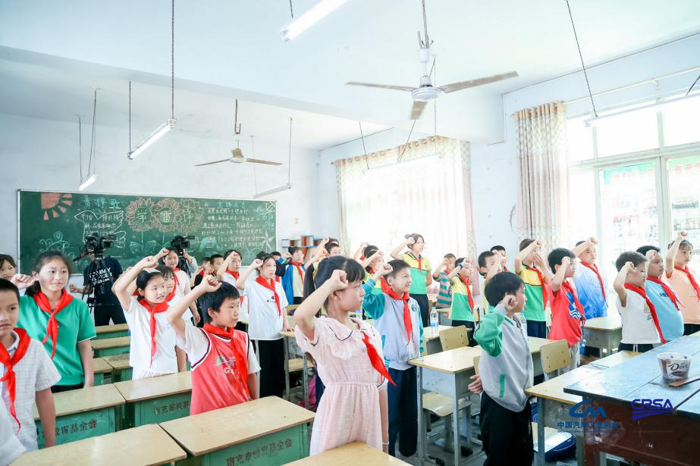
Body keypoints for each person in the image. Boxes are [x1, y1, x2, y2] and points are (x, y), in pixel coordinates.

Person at [294, 257, 390, 455]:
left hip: (369, 421)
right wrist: (330, 284)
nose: (363, 292)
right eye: (356, 287)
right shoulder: (323, 330)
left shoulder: (368, 331)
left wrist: (385, 441)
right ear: (335, 293)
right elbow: (301, 316)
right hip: (338, 420)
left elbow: (381, 388)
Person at [167, 276, 260, 415]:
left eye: (238, 306)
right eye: (231, 307)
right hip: (207, 419)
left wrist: (254, 404)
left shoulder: (243, 337)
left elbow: (251, 375)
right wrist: (200, 289)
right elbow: (172, 317)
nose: (237, 312)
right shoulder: (199, 339)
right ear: (212, 312)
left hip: (241, 413)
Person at [362, 259, 422, 458]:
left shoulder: (413, 303)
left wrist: (419, 353)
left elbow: (418, 331)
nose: (409, 280)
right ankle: (388, 456)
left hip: (411, 365)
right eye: (404, 276)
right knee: (391, 417)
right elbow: (361, 295)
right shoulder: (381, 301)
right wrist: (377, 274)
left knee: (410, 413)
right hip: (390, 367)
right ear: (390, 280)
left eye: (410, 276)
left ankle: (408, 452)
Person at [474, 272, 534, 466]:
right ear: (509, 297)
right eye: (522, 293)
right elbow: (483, 336)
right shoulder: (496, 323)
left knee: (522, 454)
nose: (525, 297)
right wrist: (500, 308)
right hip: (500, 403)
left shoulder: (516, 320)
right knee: (500, 458)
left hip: (519, 398)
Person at [13, 251, 95, 392]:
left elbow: (84, 346)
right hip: (33, 381)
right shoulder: (21, 305)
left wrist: (89, 382)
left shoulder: (78, 307)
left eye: (63, 271)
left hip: (70, 379)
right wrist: (11, 287)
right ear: (35, 275)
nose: (58, 277)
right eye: (52, 271)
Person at [0, 279, 59, 452]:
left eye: (12, 308)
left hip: (24, 443)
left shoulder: (33, 349)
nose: (4, 317)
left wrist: (50, 444)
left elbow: (44, 396)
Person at [112, 250, 178, 380]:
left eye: (163, 286)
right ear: (141, 291)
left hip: (169, 369)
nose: (161, 292)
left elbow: (179, 345)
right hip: (144, 370)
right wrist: (141, 266)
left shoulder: (172, 311)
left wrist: (181, 371)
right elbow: (119, 289)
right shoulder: (135, 310)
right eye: (154, 288)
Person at [236, 256, 291, 398]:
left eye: (274, 265)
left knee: (278, 370)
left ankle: (278, 400)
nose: (272, 268)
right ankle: (264, 400)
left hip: (278, 334)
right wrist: (251, 266)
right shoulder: (253, 285)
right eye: (268, 266)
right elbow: (239, 283)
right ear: (260, 269)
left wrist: (286, 324)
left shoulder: (277, 285)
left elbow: (284, 306)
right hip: (261, 336)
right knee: (264, 372)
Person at [613, 251, 664, 353]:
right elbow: (617, 285)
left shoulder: (640, 291)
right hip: (634, 345)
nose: (645, 274)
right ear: (627, 274)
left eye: (645, 271)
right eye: (642, 271)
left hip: (648, 343)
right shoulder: (626, 294)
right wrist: (626, 267)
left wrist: (648, 259)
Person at [547, 248, 585, 374]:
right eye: (571, 264)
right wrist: (564, 263)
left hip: (574, 336)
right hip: (562, 339)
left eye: (574, 264)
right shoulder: (556, 285)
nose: (574, 267)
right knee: (563, 376)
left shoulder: (569, 284)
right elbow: (556, 282)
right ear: (558, 267)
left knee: (572, 373)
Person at [637, 246, 684, 342]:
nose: (661, 265)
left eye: (661, 261)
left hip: (676, 337)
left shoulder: (663, 283)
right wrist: (645, 260)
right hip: (661, 339)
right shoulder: (644, 284)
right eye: (656, 262)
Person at [69, 251, 125, 326]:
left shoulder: (112, 261)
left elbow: (122, 279)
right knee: (101, 330)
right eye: (90, 253)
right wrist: (78, 290)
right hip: (99, 306)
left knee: (122, 328)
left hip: (116, 302)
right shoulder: (88, 269)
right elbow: (89, 290)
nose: (93, 255)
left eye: (94, 252)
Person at [390, 234, 432, 327]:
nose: (421, 245)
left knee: (424, 322)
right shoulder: (405, 258)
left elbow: (429, 281)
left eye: (422, 242)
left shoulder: (426, 261)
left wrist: (419, 285)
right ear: (411, 245)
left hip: (423, 296)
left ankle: (423, 341)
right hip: (409, 295)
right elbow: (393, 254)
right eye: (418, 242)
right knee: (410, 322)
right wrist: (406, 242)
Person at [514, 239, 551, 339]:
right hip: (528, 317)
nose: (537, 253)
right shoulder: (522, 270)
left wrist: (543, 266)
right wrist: (532, 245)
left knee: (541, 348)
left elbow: (552, 282)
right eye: (534, 250)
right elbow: (517, 259)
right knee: (532, 348)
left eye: (538, 250)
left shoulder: (538, 271)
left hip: (542, 316)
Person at [665, 231, 700, 335]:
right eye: (683, 252)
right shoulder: (671, 272)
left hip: (698, 320)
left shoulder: (692, 273)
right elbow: (669, 258)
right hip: (685, 321)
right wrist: (678, 239)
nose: (688, 256)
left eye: (690, 252)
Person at [572, 237, 608, 320]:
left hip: (603, 311)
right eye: (588, 251)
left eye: (594, 250)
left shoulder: (600, 269)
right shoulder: (578, 268)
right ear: (579, 254)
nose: (593, 254)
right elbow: (569, 256)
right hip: (587, 313)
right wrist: (585, 244)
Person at [447, 257, 477, 345]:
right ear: (459, 270)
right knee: (460, 345)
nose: (470, 270)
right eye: (467, 268)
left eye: (471, 267)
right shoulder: (456, 281)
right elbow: (449, 276)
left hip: (470, 318)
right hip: (459, 318)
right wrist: (461, 265)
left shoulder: (469, 285)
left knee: (471, 344)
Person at [477, 250, 502, 316]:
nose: (498, 265)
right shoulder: (485, 282)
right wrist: (498, 259)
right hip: (493, 316)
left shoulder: (503, 279)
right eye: (493, 264)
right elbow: (490, 278)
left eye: (498, 263)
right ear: (483, 269)